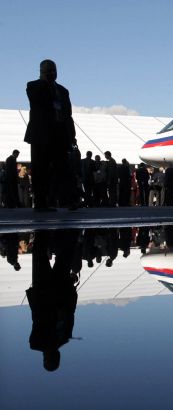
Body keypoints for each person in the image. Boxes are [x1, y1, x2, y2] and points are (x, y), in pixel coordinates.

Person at [24, 60, 77, 211]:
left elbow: (68, 115)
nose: (52, 73)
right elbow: (35, 100)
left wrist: (72, 135)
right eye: (48, 71)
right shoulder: (33, 86)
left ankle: (70, 200)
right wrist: (44, 82)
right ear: (41, 72)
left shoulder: (63, 91)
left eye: (54, 70)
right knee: (40, 170)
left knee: (64, 169)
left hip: (59, 134)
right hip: (41, 135)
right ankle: (40, 203)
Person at [27, 229, 80, 372]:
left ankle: (71, 232)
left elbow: (70, 311)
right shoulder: (35, 344)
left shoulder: (64, 338)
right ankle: (43, 231)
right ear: (45, 359)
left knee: (64, 258)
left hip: (59, 291)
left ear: (58, 357)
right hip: (43, 292)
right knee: (40, 256)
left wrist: (71, 288)